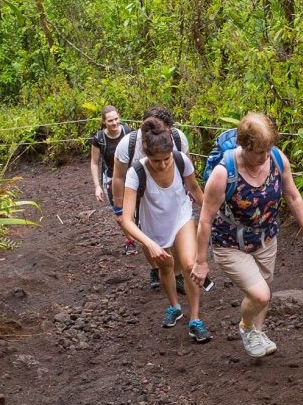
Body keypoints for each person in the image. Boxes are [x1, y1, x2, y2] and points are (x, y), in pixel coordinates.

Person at [192, 113, 303, 358]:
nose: (264, 157)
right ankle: (246, 327)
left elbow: (293, 196)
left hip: (266, 239)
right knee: (261, 294)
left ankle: (256, 336)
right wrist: (200, 262)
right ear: (243, 146)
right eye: (259, 152)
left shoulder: (277, 159)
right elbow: (205, 219)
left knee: (261, 292)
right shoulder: (223, 173)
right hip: (230, 244)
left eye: (268, 149)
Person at [118, 117, 211, 343]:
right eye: (156, 160)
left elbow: (196, 191)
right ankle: (175, 307)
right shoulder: (136, 172)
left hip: (181, 216)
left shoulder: (180, 161)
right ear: (146, 154)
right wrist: (148, 243)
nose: (162, 165)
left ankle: (195, 319)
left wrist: (214, 214)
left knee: (189, 264)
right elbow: (127, 219)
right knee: (166, 266)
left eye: (166, 159)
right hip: (153, 226)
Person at [111, 107, 191, 291]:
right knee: (146, 231)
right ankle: (156, 267)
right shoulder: (128, 144)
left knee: (177, 230)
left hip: (170, 190)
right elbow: (118, 176)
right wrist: (118, 207)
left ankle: (177, 273)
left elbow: (187, 167)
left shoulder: (178, 138)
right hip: (139, 193)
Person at [87, 105, 134, 254]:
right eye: (110, 121)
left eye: (116, 119)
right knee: (120, 217)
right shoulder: (99, 139)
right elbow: (94, 163)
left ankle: (146, 237)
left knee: (137, 209)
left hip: (132, 175)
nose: (114, 123)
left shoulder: (128, 132)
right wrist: (97, 186)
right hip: (111, 179)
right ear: (104, 122)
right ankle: (131, 241)